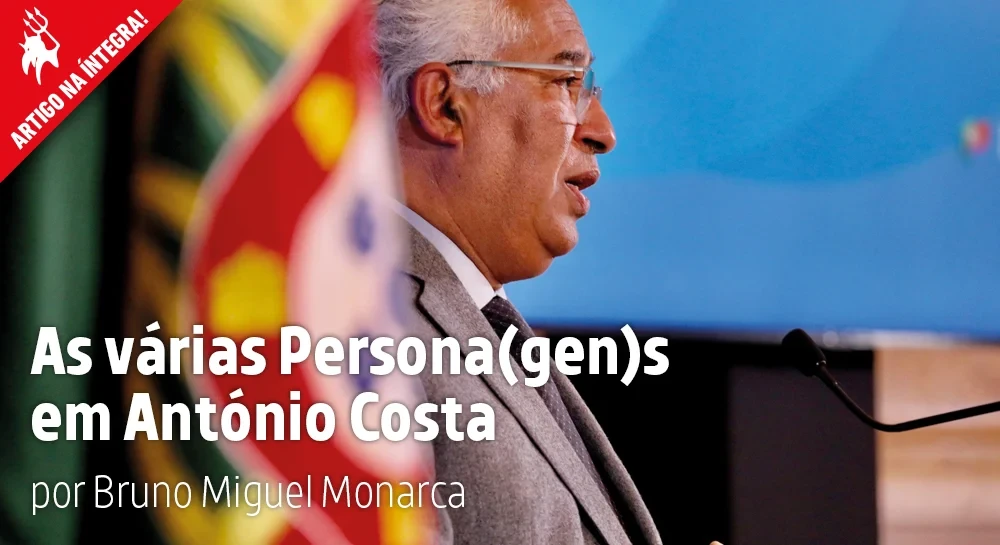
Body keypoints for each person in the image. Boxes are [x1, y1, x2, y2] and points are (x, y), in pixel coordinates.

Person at [373, 0, 666, 543]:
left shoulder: (481, 319)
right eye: (567, 82)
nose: (602, 131)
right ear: (444, 105)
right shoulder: (358, 332)